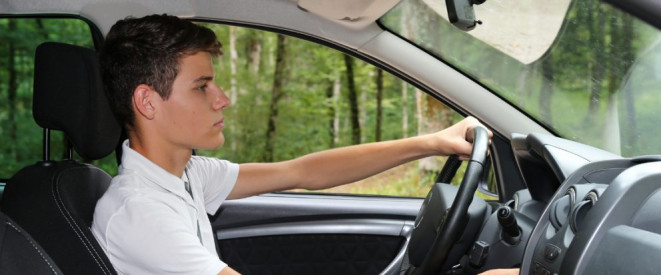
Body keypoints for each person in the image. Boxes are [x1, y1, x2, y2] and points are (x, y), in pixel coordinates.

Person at [91, 14, 496, 275]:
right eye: (202, 87)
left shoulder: (185, 174)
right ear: (147, 102)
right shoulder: (139, 214)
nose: (222, 98)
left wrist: (430, 143)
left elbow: (303, 171)